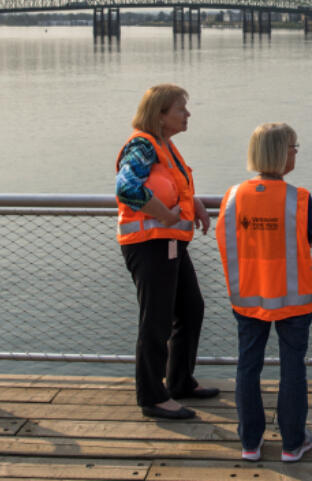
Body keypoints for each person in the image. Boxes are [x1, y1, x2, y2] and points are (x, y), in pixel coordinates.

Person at [216, 123, 312, 463]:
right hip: (293, 300)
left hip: (248, 296)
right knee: (292, 368)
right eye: (293, 147)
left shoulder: (232, 197)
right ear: (279, 153)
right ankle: (292, 444)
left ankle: (250, 443)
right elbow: (308, 241)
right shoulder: (299, 198)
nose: (295, 153)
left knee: (248, 366)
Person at [116, 84, 217, 420]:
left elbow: (173, 186)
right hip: (150, 246)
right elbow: (127, 188)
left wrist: (196, 204)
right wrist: (165, 214)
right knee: (156, 320)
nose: (187, 115)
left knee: (191, 309)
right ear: (160, 115)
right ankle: (152, 396)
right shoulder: (143, 145)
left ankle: (179, 382)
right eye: (180, 109)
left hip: (170, 244)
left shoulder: (165, 146)